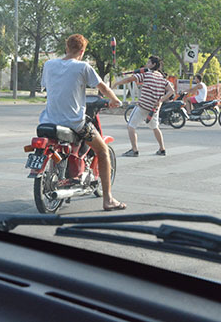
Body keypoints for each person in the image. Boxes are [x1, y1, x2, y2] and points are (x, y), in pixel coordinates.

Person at [39, 34, 125, 211]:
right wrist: (115, 100)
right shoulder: (82, 67)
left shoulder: (49, 65)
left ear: (66, 48)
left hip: (48, 122)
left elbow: (51, 88)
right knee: (102, 150)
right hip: (74, 123)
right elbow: (103, 87)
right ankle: (108, 199)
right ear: (82, 51)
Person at [112, 56, 175, 157]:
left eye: (149, 62)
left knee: (131, 126)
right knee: (155, 128)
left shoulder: (146, 74)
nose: (147, 64)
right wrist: (161, 100)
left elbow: (130, 79)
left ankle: (134, 150)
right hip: (154, 108)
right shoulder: (163, 79)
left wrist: (117, 83)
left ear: (153, 65)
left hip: (142, 106)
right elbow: (171, 91)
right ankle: (162, 149)